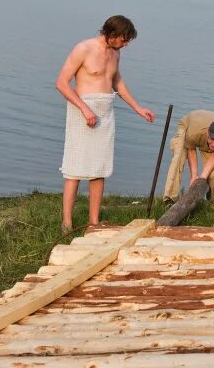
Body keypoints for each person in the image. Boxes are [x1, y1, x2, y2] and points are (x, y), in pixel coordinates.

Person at [56, 15, 155, 232]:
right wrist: (83, 108)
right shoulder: (83, 48)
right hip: (82, 110)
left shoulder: (115, 53)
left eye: (127, 40)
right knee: (74, 169)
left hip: (105, 111)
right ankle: (67, 223)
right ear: (110, 33)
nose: (125, 44)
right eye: (123, 39)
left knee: (99, 168)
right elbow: (62, 83)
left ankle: (94, 221)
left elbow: (116, 81)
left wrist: (138, 108)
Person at [162, 110, 214, 206]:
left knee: (213, 175)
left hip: (202, 134)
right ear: (208, 133)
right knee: (178, 160)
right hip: (189, 127)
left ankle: (212, 202)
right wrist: (194, 176)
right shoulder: (193, 134)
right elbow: (191, 150)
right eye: (212, 139)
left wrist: (202, 177)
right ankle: (170, 199)